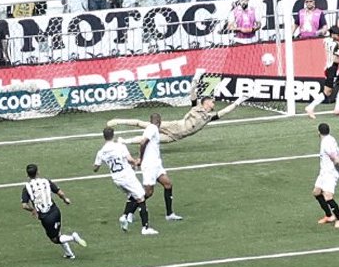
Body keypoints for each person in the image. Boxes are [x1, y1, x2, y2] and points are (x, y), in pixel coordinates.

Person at [107, 74, 246, 145]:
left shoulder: (209, 117)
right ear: (206, 102)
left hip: (176, 137)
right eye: (212, 101)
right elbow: (193, 91)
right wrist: (197, 78)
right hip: (174, 126)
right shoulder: (196, 107)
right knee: (143, 124)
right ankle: (119, 120)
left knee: (149, 139)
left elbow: (226, 111)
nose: (214, 102)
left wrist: (239, 100)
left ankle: (125, 141)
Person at [92, 126, 156, 235]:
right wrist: (137, 162)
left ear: (104, 137)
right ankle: (145, 228)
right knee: (141, 197)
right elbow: (130, 160)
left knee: (132, 195)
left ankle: (125, 216)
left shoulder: (101, 152)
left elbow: (95, 168)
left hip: (117, 179)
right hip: (127, 176)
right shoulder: (120, 147)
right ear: (113, 135)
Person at [20, 165, 88, 259]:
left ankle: (73, 238)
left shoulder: (27, 187)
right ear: (38, 172)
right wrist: (65, 199)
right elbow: (59, 192)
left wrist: (33, 210)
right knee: (58, 233)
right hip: (55, 211)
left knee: (55, 239)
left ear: (27, 175)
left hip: (46, 217)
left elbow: (24, 205)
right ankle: (69, 254)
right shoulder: (46, 182)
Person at [138, 113, 183, 222]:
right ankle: (128, 211)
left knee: (168, 184)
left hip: (156, 165)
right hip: (150, 165)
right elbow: (143, 142)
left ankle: (169, 214)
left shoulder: (152, 129)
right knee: (148, 192)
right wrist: (140, 158)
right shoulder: (152, 128)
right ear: (160, 122)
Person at [306, 26, 339, 118]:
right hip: (332, 69)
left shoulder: (326, 40)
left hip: (328, 67)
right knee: (327, 92)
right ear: (333, 34)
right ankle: (310, 107)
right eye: (338, 35)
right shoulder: (337, 44)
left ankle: (338, 108)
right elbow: (335, 59)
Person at [312, 123, 339, 229]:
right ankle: (329, 215)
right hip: (324, 172)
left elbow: (335, 158)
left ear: (318, 132)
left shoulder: (326, 143)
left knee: (328, 196)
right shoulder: (330, 139)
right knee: (316, 192)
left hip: (330, 173)